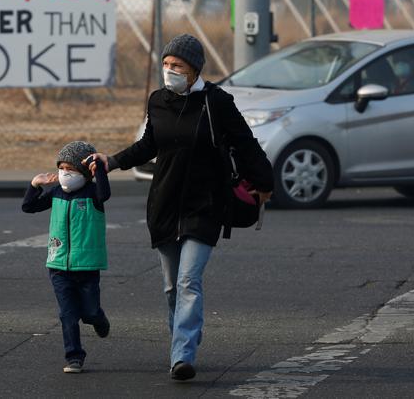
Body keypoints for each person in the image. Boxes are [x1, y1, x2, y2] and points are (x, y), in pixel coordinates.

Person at [86, 34, 274, 381]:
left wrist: (265, 183)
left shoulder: (216, 102)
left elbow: (246, 144)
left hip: (205, 204)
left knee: (189, 280)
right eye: (167, 64)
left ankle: (182, 355)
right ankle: (182, 339)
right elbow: (148, 145)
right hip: (165, 203)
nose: (170, 70)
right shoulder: (158, 101)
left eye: (178, 66)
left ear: (194, 71)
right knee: (172, 285)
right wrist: (111, 161)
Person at [22, 140, 111, 374]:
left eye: (70, 169)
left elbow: (105, 193)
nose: (64, 173)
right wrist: (35, 184)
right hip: (59, 265)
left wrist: (99, 169)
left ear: (83, 172)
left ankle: (99, 318)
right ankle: (74, 357)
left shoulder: (92, 193)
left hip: (87, 265)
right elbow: (28, 207)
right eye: (61, 168)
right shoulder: (56, 193)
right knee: (68, 314)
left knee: (90, 312)